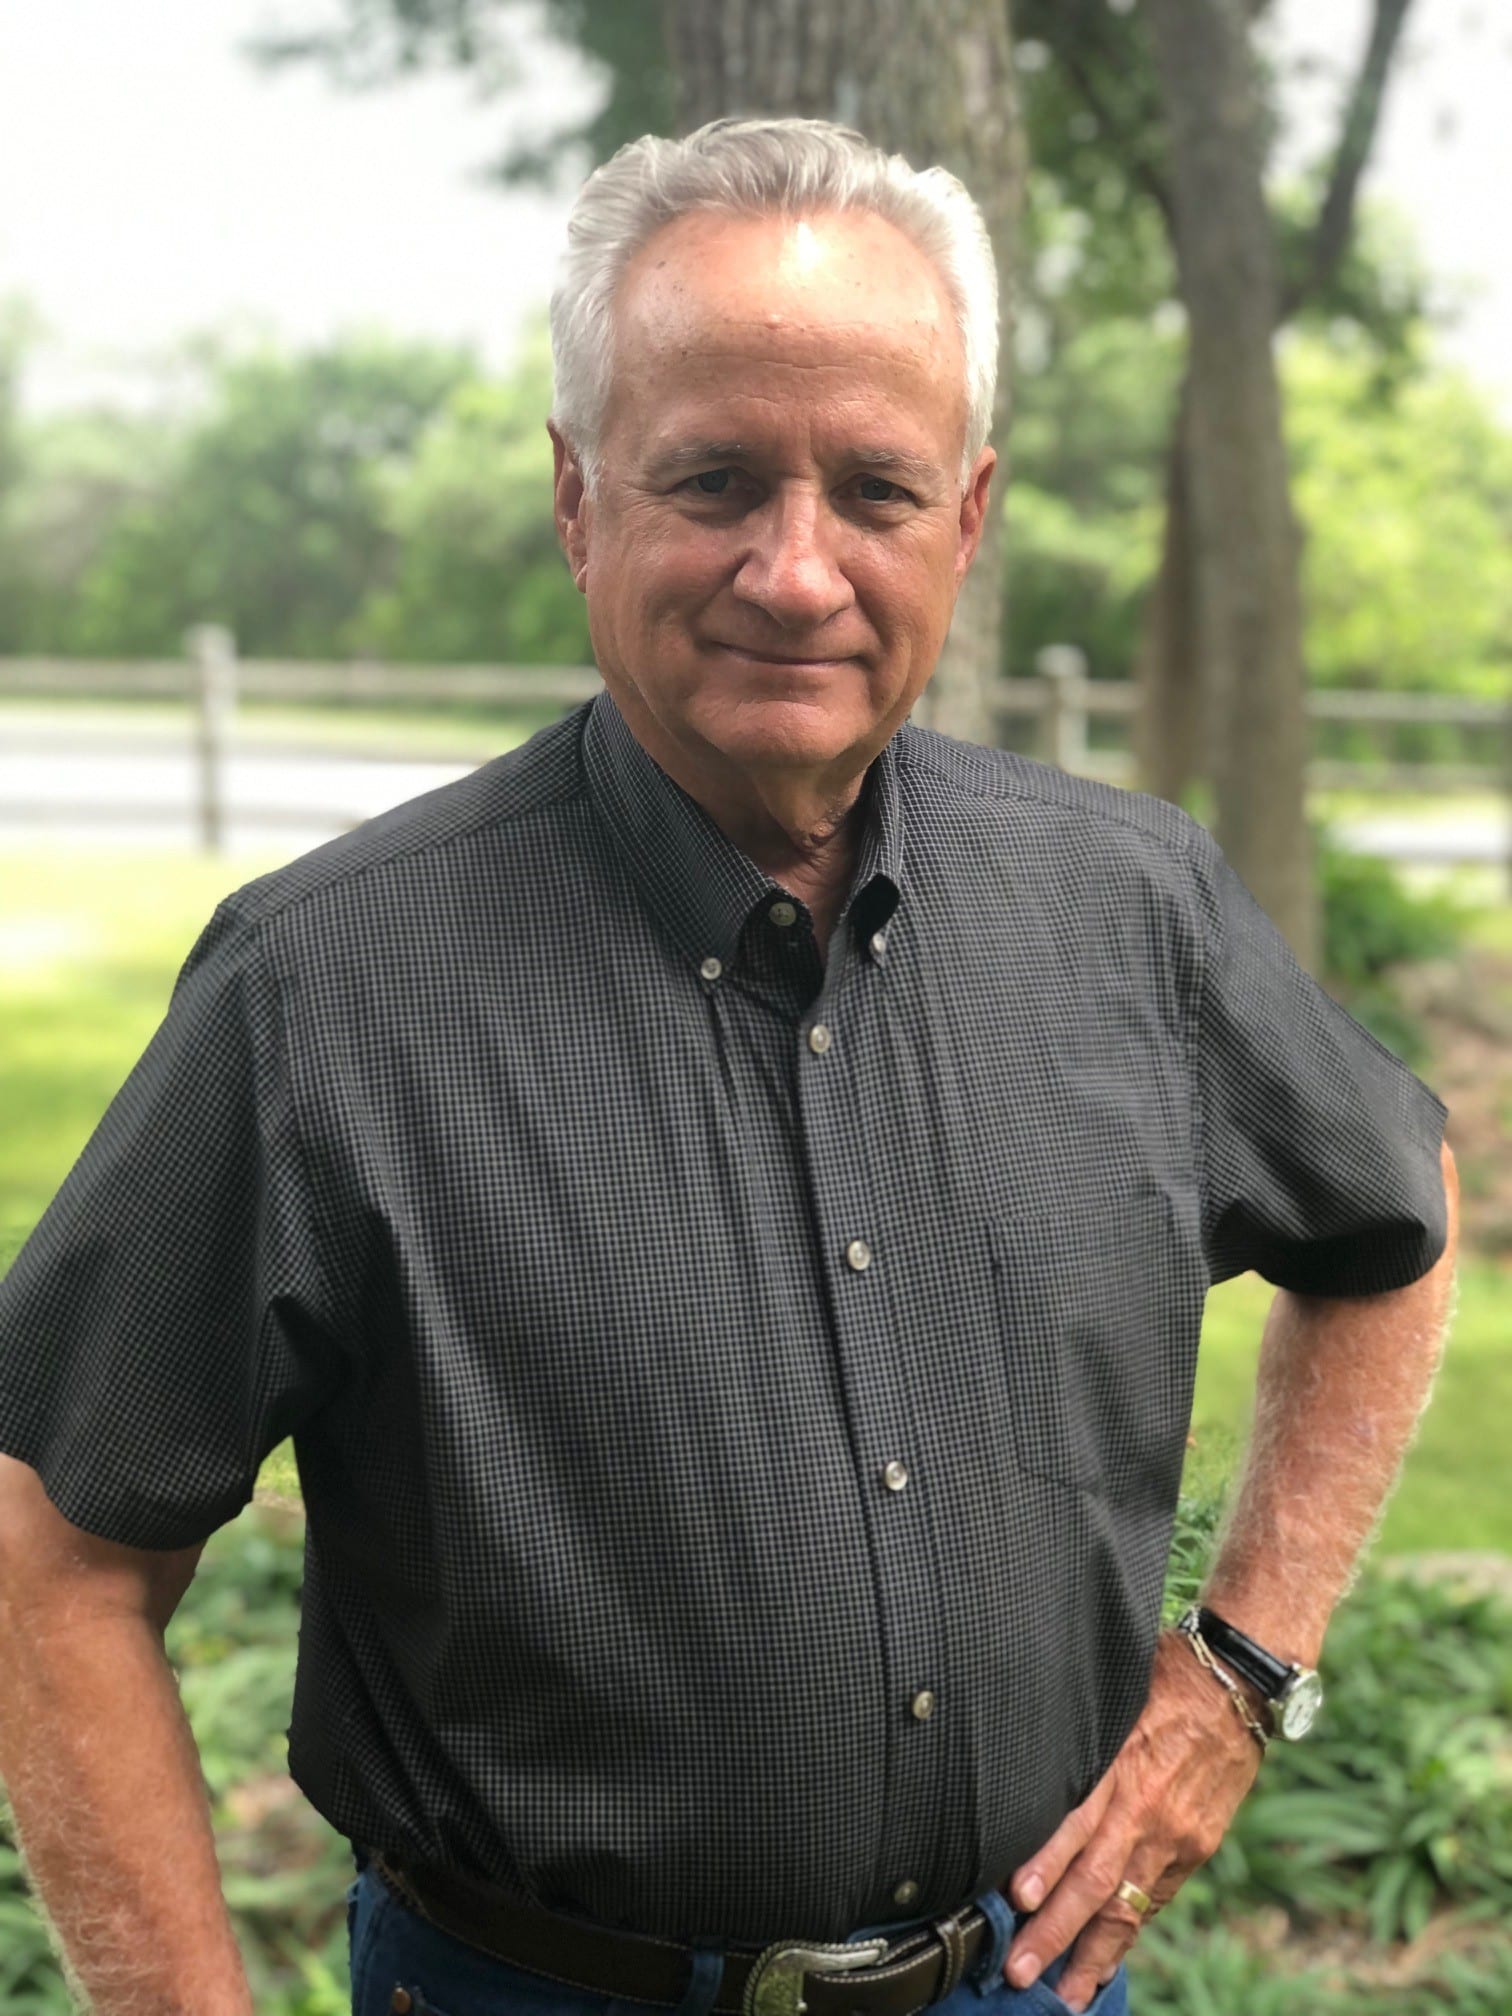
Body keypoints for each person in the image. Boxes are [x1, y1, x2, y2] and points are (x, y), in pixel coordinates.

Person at [0, 115, 1457, 2016]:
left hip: (1024, 1986)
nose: (795, 571)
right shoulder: (325, 991)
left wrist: (1239, 1676)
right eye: (714, 480)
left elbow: (1391, 1216)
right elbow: (55, 1563)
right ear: (576, 495)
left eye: (875, 487)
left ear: (973, 514)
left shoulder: (1134, 910)